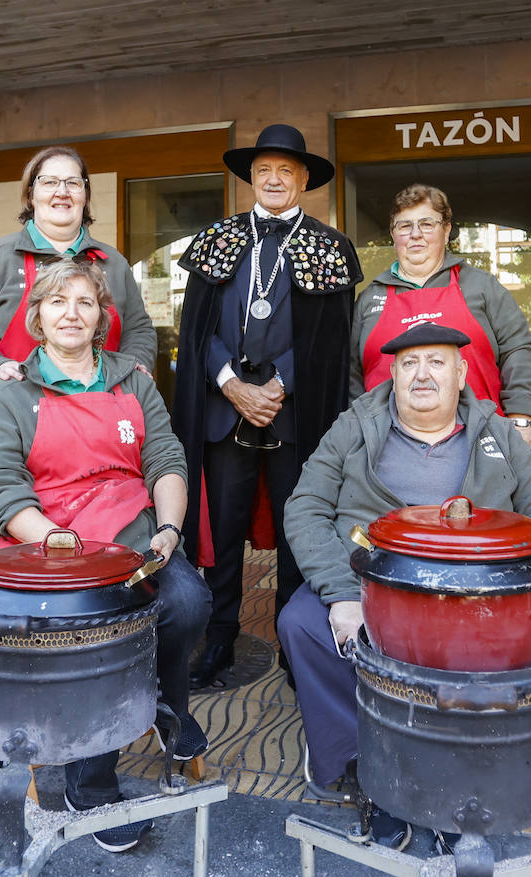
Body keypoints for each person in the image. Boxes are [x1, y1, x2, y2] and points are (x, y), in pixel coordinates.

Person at [277, 321, 531, 850]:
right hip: (368, 579)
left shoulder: (496, 432)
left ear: (461, 374)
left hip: (470, 592)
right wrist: (341, 592)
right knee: (301, 623)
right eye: (409, 363)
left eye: (437, 362)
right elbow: (305, 505)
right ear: (393, 373)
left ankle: (452, 777)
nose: (422, 374)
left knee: (482, 651)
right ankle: (360, 765)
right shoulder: (356, 424)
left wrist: (517, 582)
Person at [0, 259, 209, 853]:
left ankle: (157, 701)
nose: (71, 313)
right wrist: (55, 541)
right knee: (98, 633)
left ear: (104, 315)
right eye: (57, 302)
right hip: (52, 547)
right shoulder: (12, 395)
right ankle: (90, 785)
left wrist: (171, 528)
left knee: (187, 600)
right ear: (37, 318)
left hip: (132, 539)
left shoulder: (132, 380)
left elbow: (166, 460)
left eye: (84, 301)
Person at [173, 124, 362, 689]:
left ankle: (293, 641)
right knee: (222, 533)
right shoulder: (219, 237)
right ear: (249, 179)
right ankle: (220, 637)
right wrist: (231, 382)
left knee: (297, 531)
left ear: (304, 179)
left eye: (285, 170)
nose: (274, 179)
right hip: (224, 409)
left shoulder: (331, 246)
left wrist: (278, 385)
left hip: (295, 415)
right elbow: (196, 330)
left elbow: (334, 338)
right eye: (263, 171)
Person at [0, 145, 156, 394]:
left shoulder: (114, 262)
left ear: (85, 196)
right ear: (31, 194)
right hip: (16, 414)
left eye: (73, 183)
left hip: (103, 410)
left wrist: (135, 368)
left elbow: (139, 330)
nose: (62, 192)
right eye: (50, 182)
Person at [349, 184, 531, 445]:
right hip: (386, 446)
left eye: (427, 224)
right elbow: (351, 374)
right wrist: (358, 432)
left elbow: (517, 349)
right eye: (405, 226)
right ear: (393, 234)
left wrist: (520, 417)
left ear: (446, 230)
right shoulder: (369, 298)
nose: (416, 235)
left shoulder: (480, 287)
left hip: (481, 441)